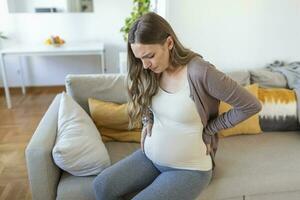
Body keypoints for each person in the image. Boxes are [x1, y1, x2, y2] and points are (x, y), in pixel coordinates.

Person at [93, 12, 262, 200]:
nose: (145, 65)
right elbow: (148, 101)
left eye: (149, 56)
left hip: (189, 168)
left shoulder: (201, 72)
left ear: (169, 43)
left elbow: (250, 105)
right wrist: (147, 119)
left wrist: (211, 129)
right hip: (149, 158)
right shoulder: (151, 70)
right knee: (101, 186)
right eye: (140, 58)